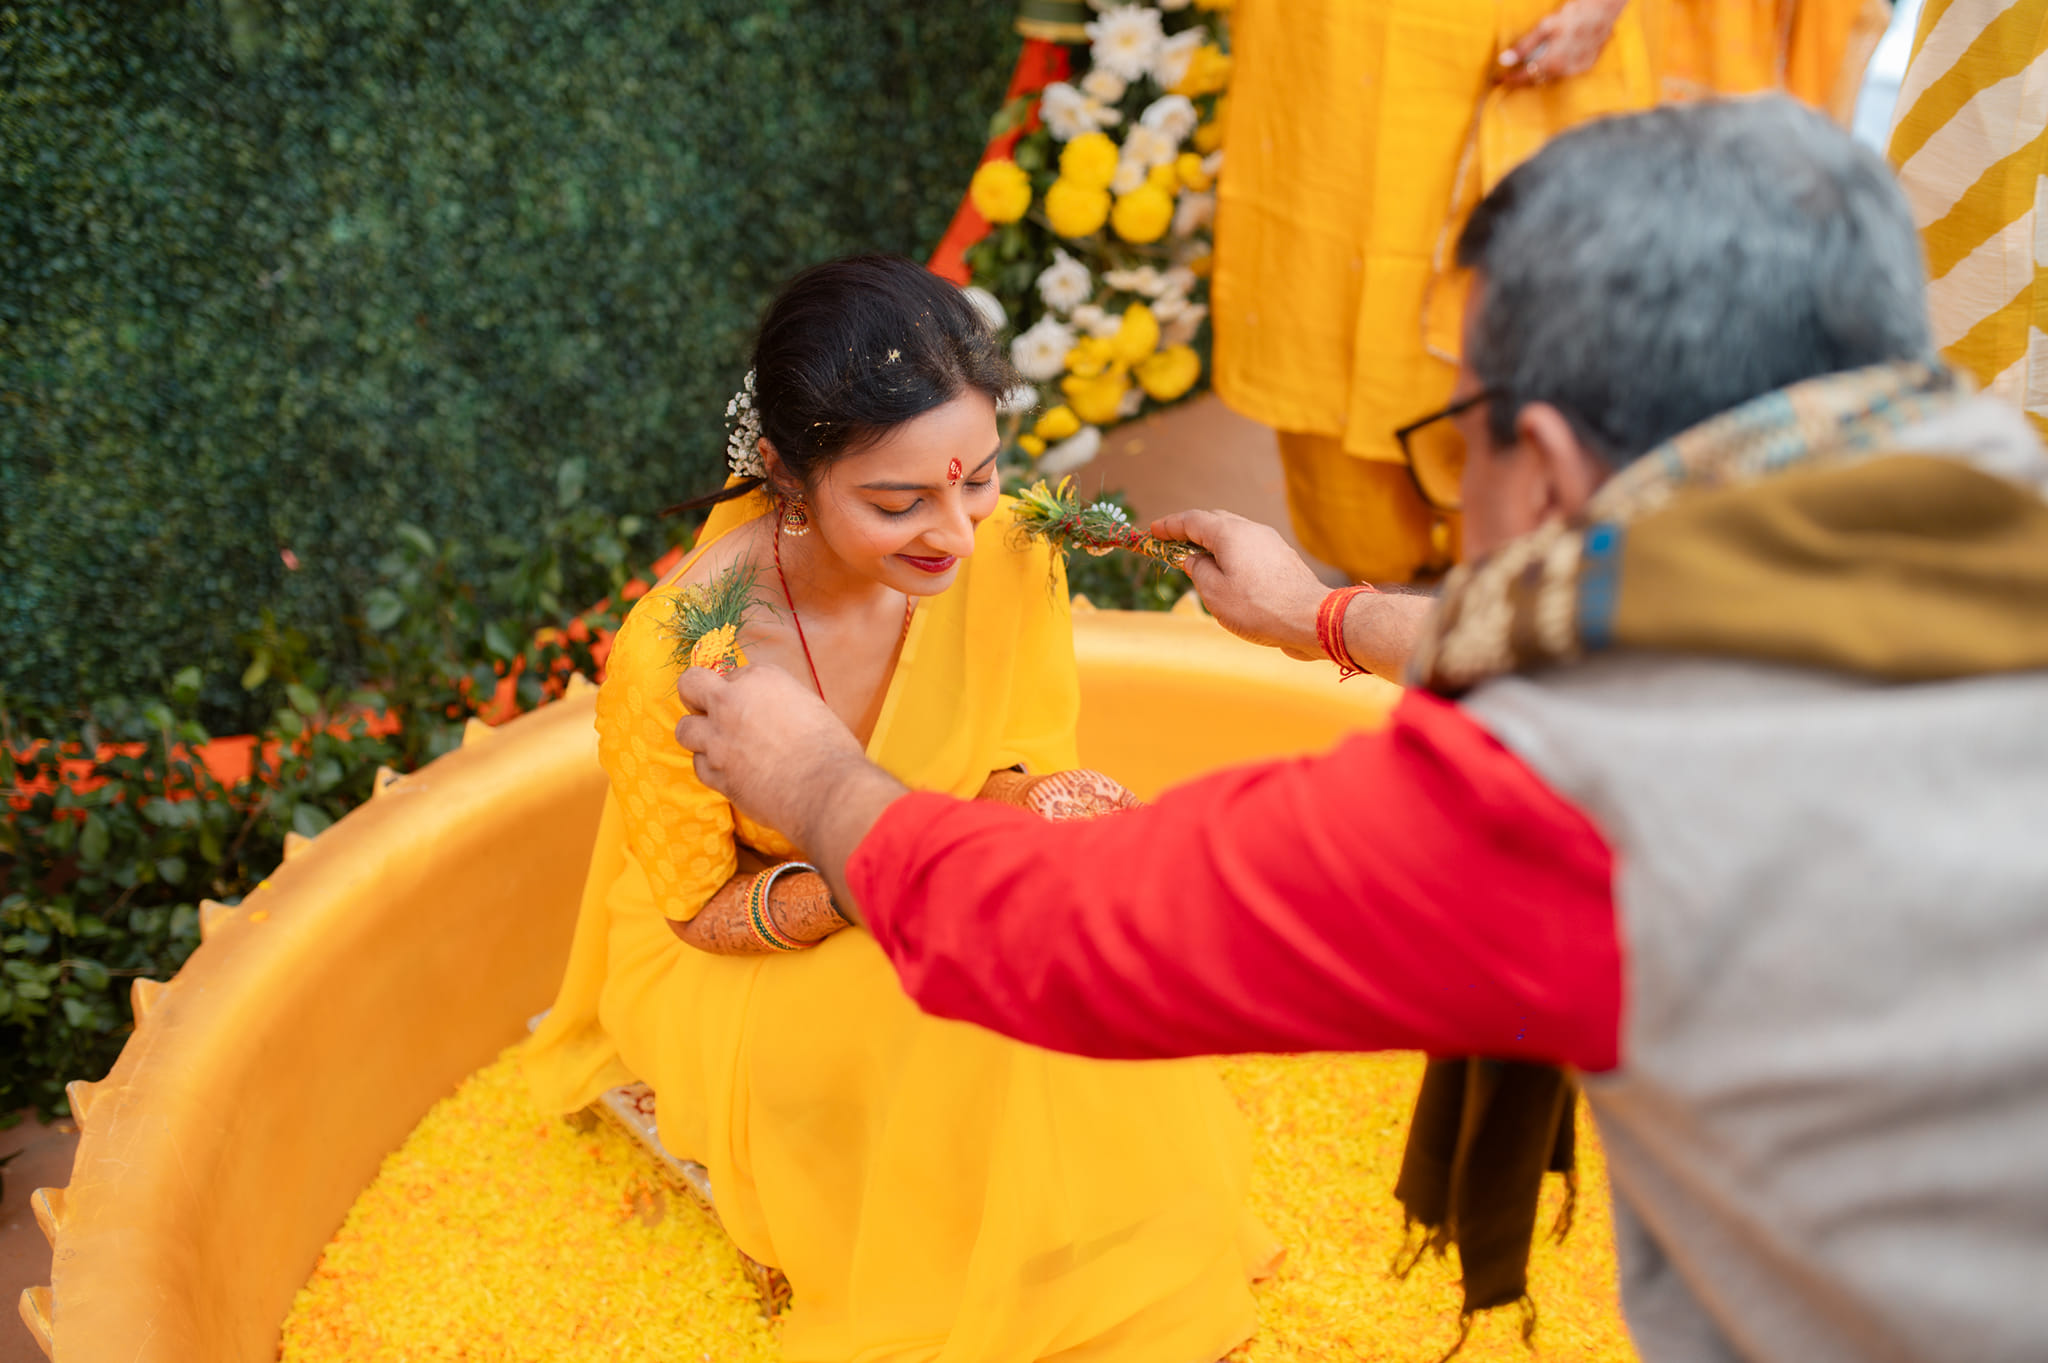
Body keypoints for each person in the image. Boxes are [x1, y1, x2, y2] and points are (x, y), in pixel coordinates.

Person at [672, 104, 2048, 1362]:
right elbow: (1657, 618)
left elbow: (1061, 934)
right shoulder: (1982, 497)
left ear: (1548, 462)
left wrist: (817, 778)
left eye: (1466, 422)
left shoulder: (1577, 793)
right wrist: (1327, 616)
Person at [523, 256, 1278, 1362]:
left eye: (973, 481)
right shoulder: (690, 653)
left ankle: (1098, 1262)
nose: (956, 537)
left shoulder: (1012, 550)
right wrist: (877, 875)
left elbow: (1017, 749)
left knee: (1072, 931)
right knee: (958, 999)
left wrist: (1039, 809)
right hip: (760, 952)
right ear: (785, 472)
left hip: (934, 874)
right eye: (895, 502)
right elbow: (695, 910)